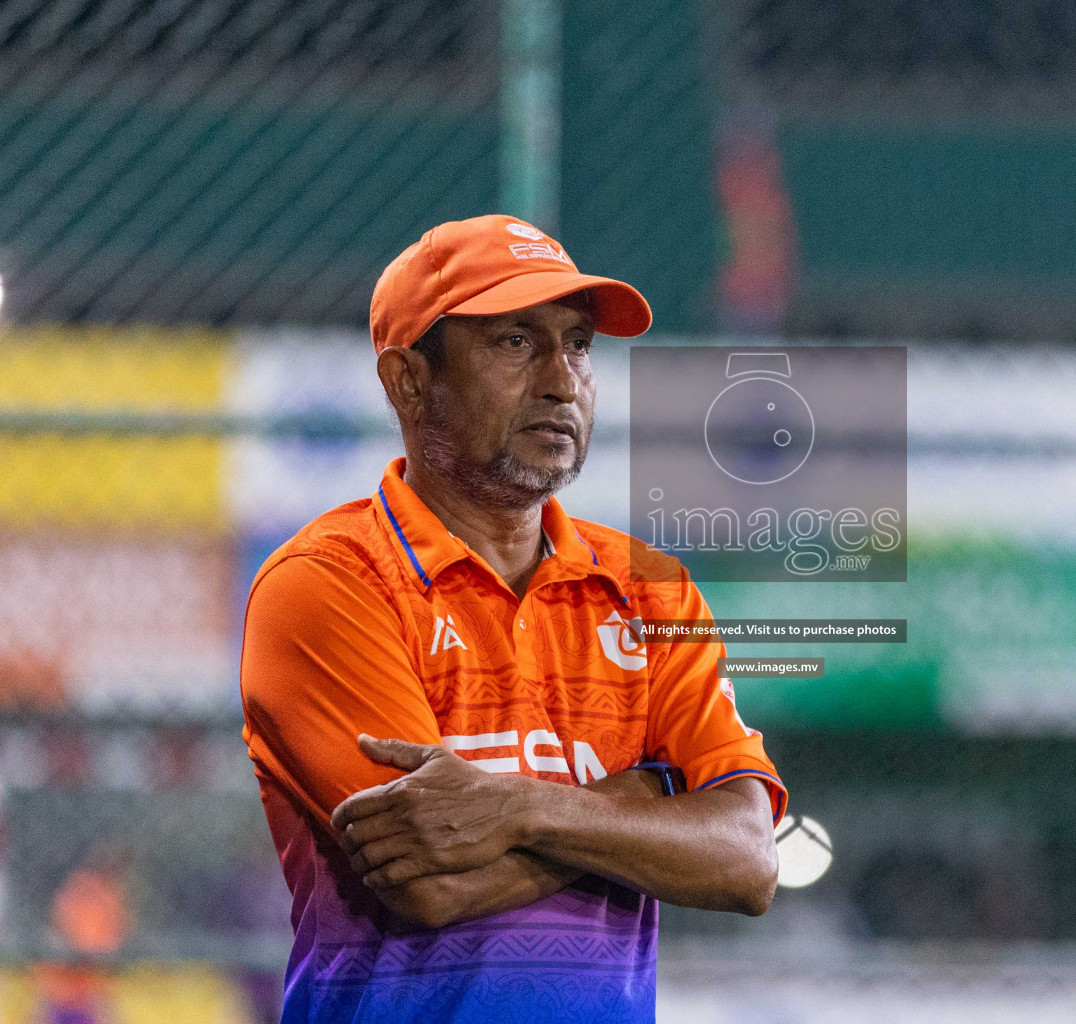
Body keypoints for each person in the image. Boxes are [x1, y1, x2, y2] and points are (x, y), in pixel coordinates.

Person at [240, 215, 786, 1023]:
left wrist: (520, 810)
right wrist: (646, 799)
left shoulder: (652, 589)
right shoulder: (328, 583)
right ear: (409, 382)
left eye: (578, 344)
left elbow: (746, 863)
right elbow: (431, 881)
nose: (563, 380)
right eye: (515, 344)